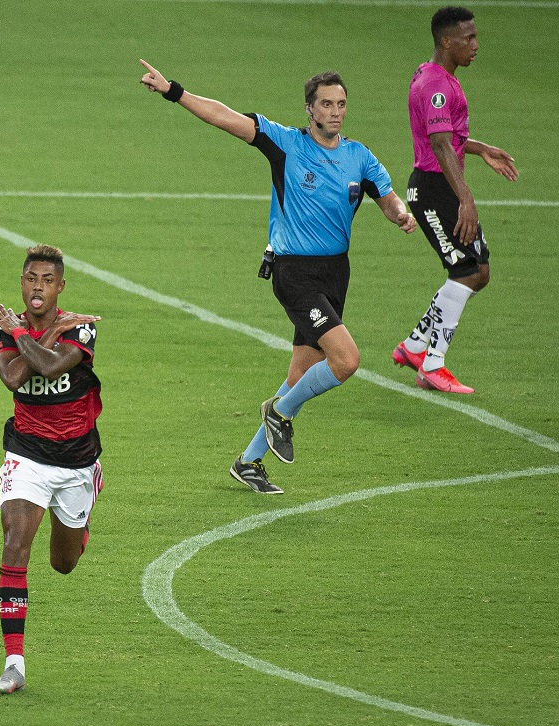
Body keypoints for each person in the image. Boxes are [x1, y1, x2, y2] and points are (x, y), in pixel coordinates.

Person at [139, 59, 418, 495]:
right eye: (326, 104)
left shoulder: (359, 156)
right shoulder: (285, 144)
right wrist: (175, 91)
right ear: (310, 109)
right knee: (345, 361)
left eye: (341, 104)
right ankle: (279, 413)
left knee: (300, 375)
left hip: (335, 273)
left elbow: (387, 198)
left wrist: (400, 215)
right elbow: (226, 117)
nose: (335, 111)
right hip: (294, 272)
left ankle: (248, 461)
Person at [0, 244, 103, 693]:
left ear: (60, 287)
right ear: (22, 283)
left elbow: (50, 365)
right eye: (31, 278)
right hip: (26, 454)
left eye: (47, 281)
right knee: (15, 544)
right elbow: (14, 378)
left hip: (76, 461)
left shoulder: (85, 329)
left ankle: (85, 511)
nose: (38, 287)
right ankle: (13, 664)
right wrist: (33, 332)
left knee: (63, 564)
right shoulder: (3, 330)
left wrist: (34, 335)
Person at [393, 6, 518, 394]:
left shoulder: (438, 76)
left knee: (477, 271)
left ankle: (415, 346)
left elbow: (449, 134)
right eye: (468, 38)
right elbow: (440, 143)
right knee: (466, 272)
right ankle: (433, 364)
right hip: (433, 190)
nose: (475, 45)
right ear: (446, 41)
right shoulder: (435, 85)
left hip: (442, 185)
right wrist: (466, 198)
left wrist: (480, 149)